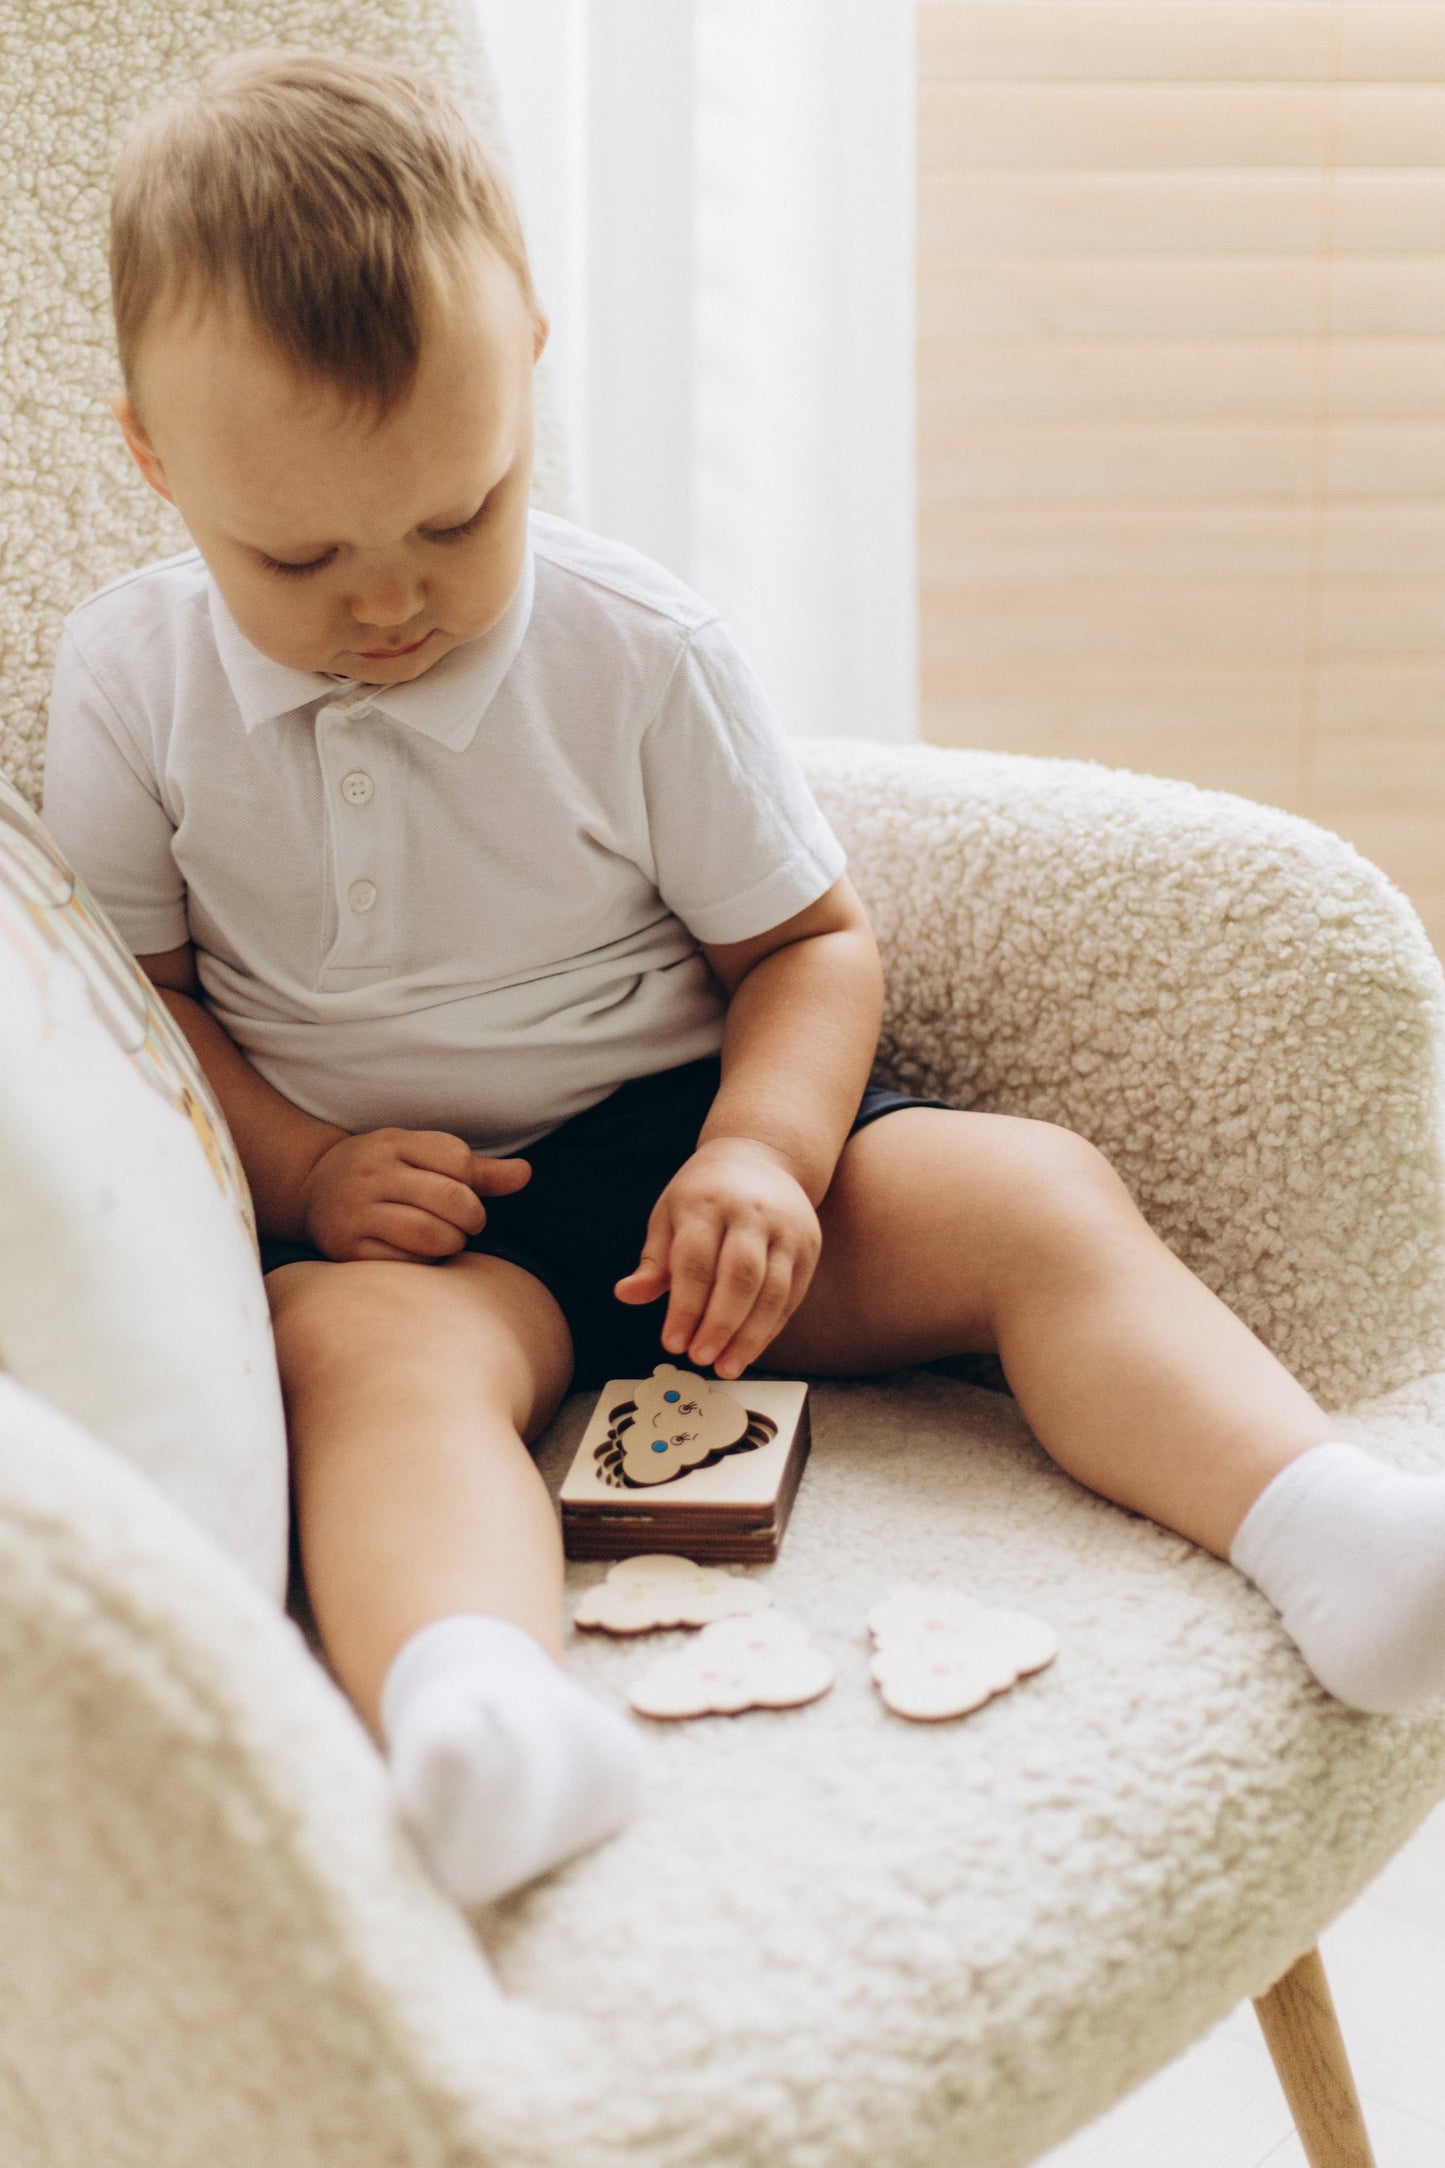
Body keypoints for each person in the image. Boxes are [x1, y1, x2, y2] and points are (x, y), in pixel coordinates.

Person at [43, 50, 1445, 1910]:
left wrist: (769, 1157)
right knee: (354, 1372)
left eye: (459, 516)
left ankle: (1328, 1528)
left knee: (1023, 1190)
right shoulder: (133, 683)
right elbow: (132, 1013)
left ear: (531, 357)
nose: (388, 605)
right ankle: (479, 1708)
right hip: (413, 1229)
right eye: (294, 554)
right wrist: (299, 1165)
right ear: (153, 454)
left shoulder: (631, 651)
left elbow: (806, 943)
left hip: (708, 1169)